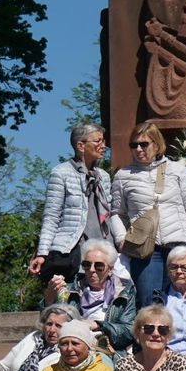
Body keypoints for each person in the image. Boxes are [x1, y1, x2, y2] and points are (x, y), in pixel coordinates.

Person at [113, 121, 186, 303]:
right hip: (146, 249)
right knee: (150, 303)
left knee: (180, 301)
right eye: (133, 145)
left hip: (179, 244)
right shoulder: (123, 176)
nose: (138, 149)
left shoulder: (177, 170)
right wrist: (121, 238)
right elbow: (117, 213)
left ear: (156, 144)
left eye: (144, 144)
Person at [31, 122, 122, 285]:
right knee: (70, 297)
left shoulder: (103, 176)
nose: (103, 146)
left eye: (103, 141)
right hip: (73, 252)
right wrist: (42, 253)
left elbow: (109, 214)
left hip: (103, 251)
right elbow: (51, 216)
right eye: (98, 141)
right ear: (81, 146)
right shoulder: (61, 173)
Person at [43, 239, 137, 354]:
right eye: (87, 265)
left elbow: (128, 331)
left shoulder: (124, 292)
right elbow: (49, 322)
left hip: (104, 350)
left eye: (99, 266)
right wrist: (49, 301)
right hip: (68, 346)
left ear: (110, 270)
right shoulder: (70, 288)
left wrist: (98, 325)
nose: (91, 270)